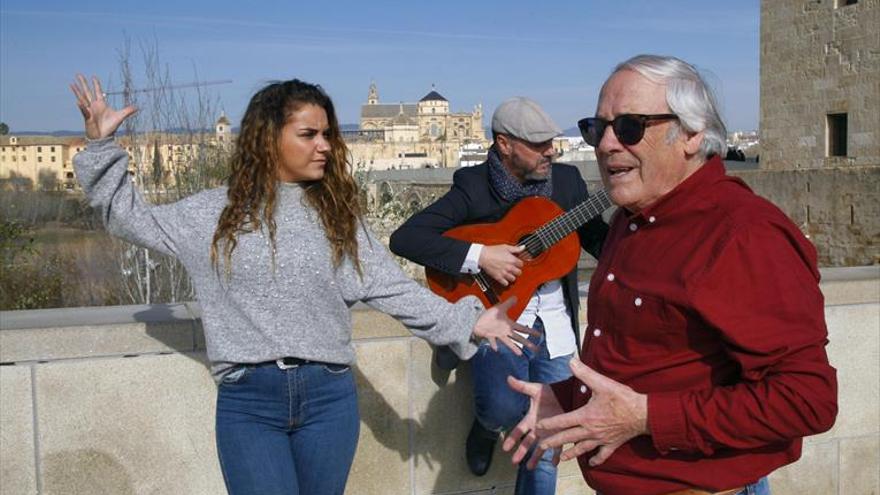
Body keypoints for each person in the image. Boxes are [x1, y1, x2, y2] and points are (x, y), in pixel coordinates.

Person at [70, 74, 535, 495]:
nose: (325, 146)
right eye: (309, 135)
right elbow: (128, 217)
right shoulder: (210, 215)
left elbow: (393, 289)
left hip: (328, 399)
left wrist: (468, 321)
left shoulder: (337, 218)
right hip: (249, 403)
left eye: (328, 135)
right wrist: (101, 147)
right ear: (269, 139)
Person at [503, 54, 838, 495]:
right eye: (596, 128)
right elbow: (652, 362)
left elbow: (806, 401)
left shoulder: (743, 233)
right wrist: (566, 398)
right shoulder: (633, 216)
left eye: (629, 127)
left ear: (692, 134)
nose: (605, 144)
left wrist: (645, 418)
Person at [389, 97, 608, 494]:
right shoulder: (473, 186)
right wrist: (481, 256)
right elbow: (406, 238)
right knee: (501, 407)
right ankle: (488, 426)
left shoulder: (569, 182)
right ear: (504, 145)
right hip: (499, 319)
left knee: (549, 430)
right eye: (539, 145)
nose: (551, 151)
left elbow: (599, 241)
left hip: (555, 325)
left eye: (552, 142)